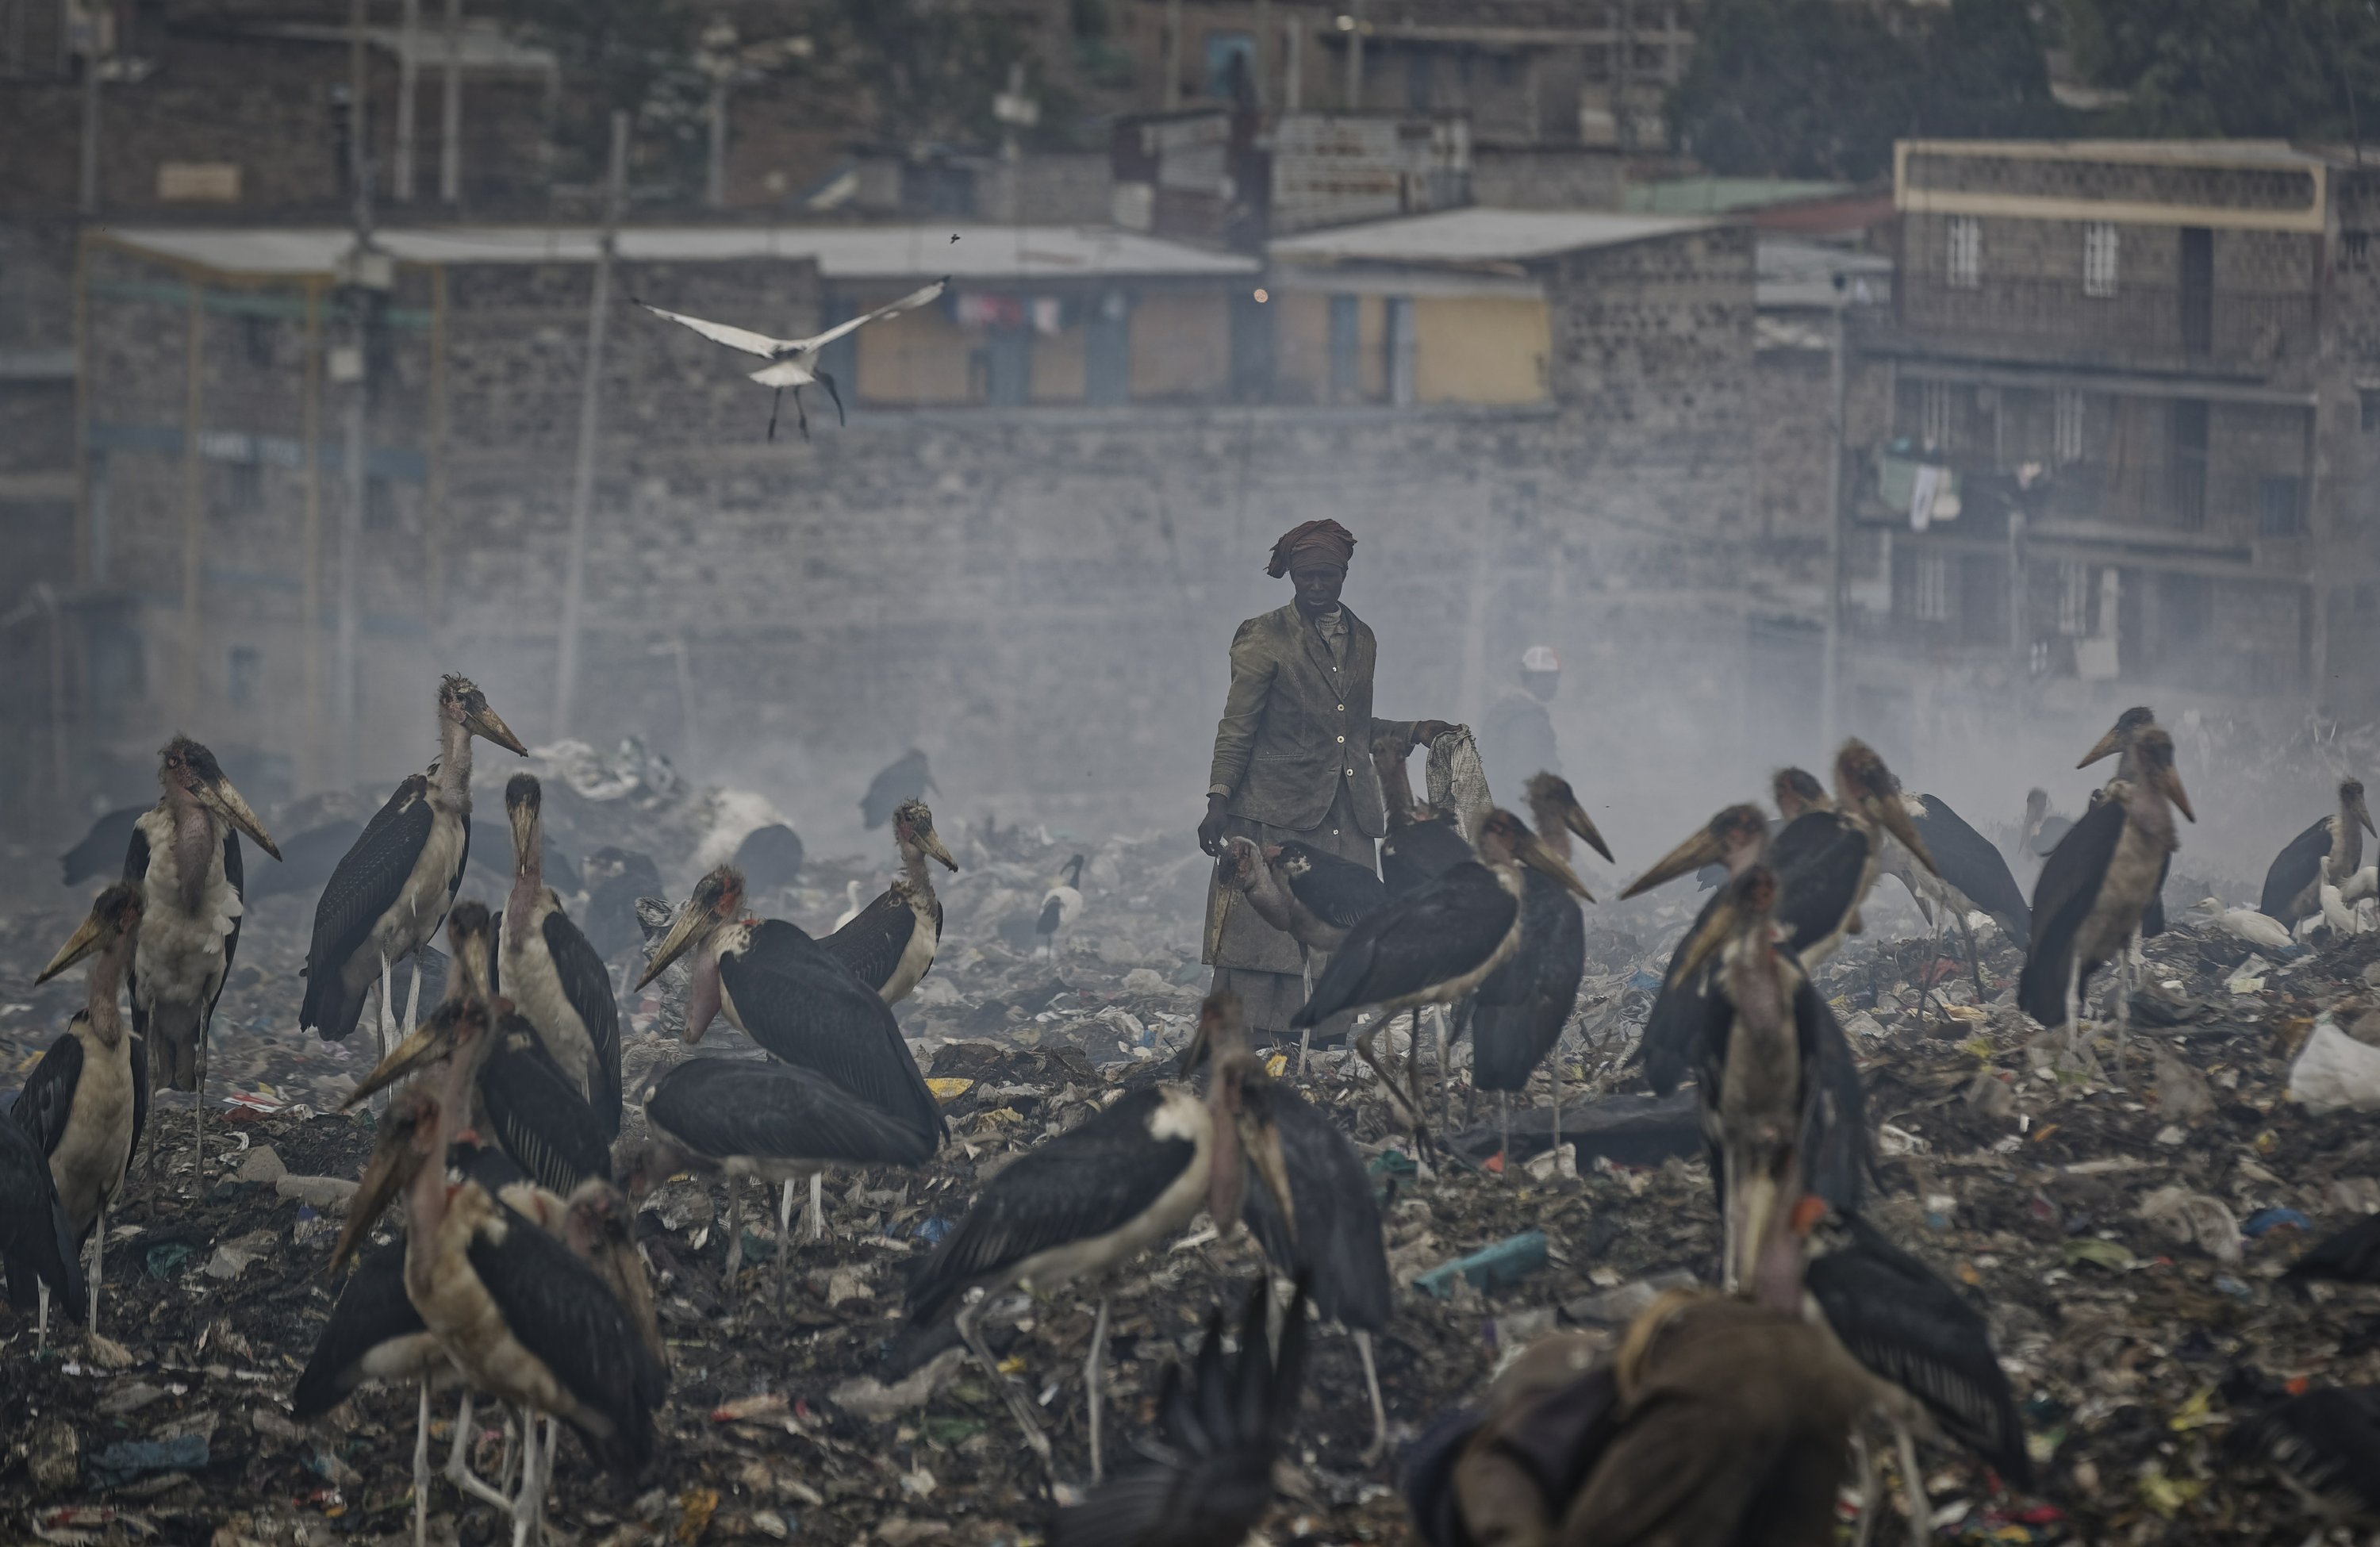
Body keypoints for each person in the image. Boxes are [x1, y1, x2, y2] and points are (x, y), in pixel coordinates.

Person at [1198, 520, 1453, 1040]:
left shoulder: (1362, 638)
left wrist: (1415, 730)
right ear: (1292, 575)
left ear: (1343, 575)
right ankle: (1263, 1046)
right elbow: (1238, 726)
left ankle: (1332, 1041)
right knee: (1267, 938)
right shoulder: (1262, 637)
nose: (1316, 586)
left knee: (1342, 932)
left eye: (1327, 576)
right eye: (1307, 577)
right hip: (1277, 810)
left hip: (1346, 814)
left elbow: (1351, 728)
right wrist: (1219, 797)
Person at [1480, 644, 1560, 797]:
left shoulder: (1509, 711)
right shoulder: (1526, 718)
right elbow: (1524, 776)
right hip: (1521, 811)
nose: (1555, 685)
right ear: (1537, 677)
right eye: (1553, 678)